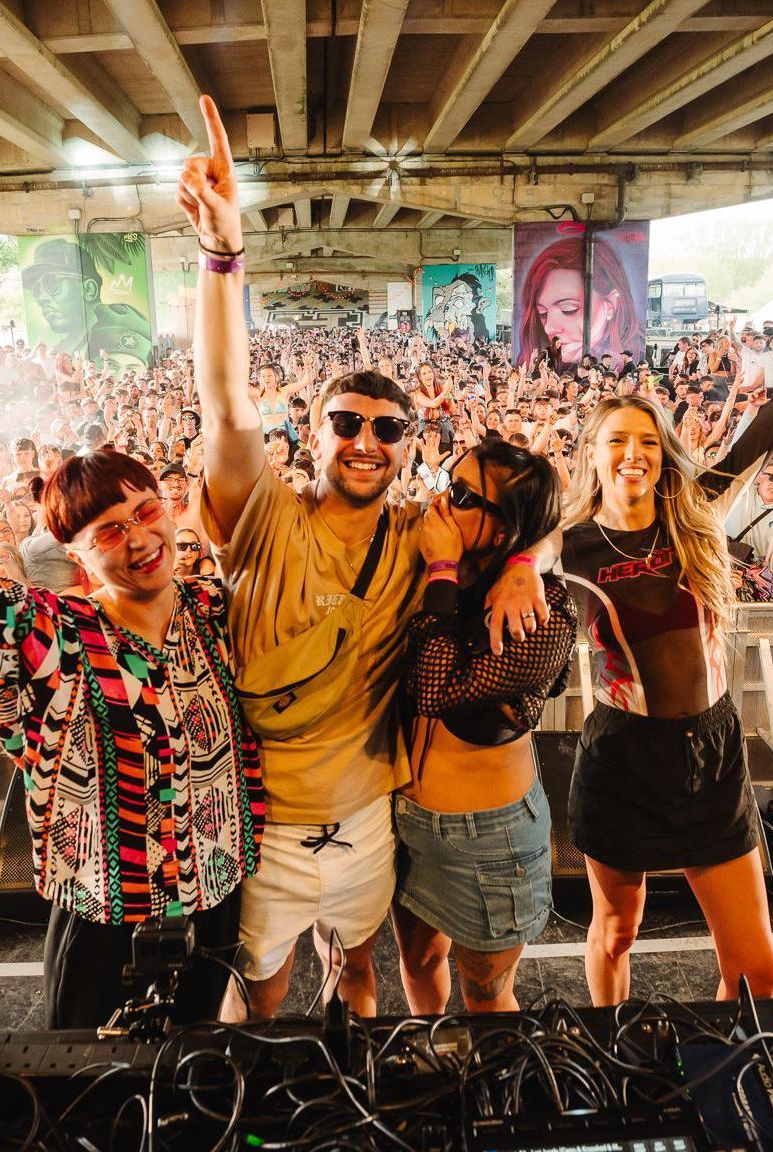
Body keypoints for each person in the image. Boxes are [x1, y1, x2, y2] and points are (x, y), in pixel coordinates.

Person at [175, 96, 544, 1020]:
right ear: (313, 429)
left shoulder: (425, 530)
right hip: (263, 820)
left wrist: (532, 555)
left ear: (412, 444)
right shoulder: (263, 515)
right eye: (346, 424)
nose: (366, 441)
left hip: (372, 816)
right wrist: (224, 256)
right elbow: (223, 403)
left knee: (359, 978)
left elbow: (531, 497)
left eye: (388, 429)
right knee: (255, 994)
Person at [0, 325, 267, 1030]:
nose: (139, 539)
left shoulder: (216, 611)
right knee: (82, 1087)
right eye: (107, 532)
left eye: (145, 512)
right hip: (102, 910)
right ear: (75, 554)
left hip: (213, 895)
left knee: (197, 1076)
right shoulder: (58, 631)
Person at [555, 208, 773, 1006]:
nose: (633, 454)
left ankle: (729, 1078)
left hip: (711, 753)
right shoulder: (564, 547)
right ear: (593, 457)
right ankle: (614, 1060)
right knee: (616, 932)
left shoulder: (697, 510)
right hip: (621, 758)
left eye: (646, 440)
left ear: (660, 451)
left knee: (757, 969)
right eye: (616, 442)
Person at [394, 440, 575, 1014]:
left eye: (464, 497)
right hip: (405, 821)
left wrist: (448, 569)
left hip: (488, 841)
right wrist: (526, 555)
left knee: (487, 997)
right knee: (418, 965)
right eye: (449, 482)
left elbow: (433, 689)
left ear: (503, 531)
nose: (442, 503)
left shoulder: (543, 614)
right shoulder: (430, 570)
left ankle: (499, 1097)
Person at [518, 233, 645, 377]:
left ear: (610, 305)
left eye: (569, 310)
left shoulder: (620, 361)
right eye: (542, 313)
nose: (549, 328)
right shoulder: (544, 356)